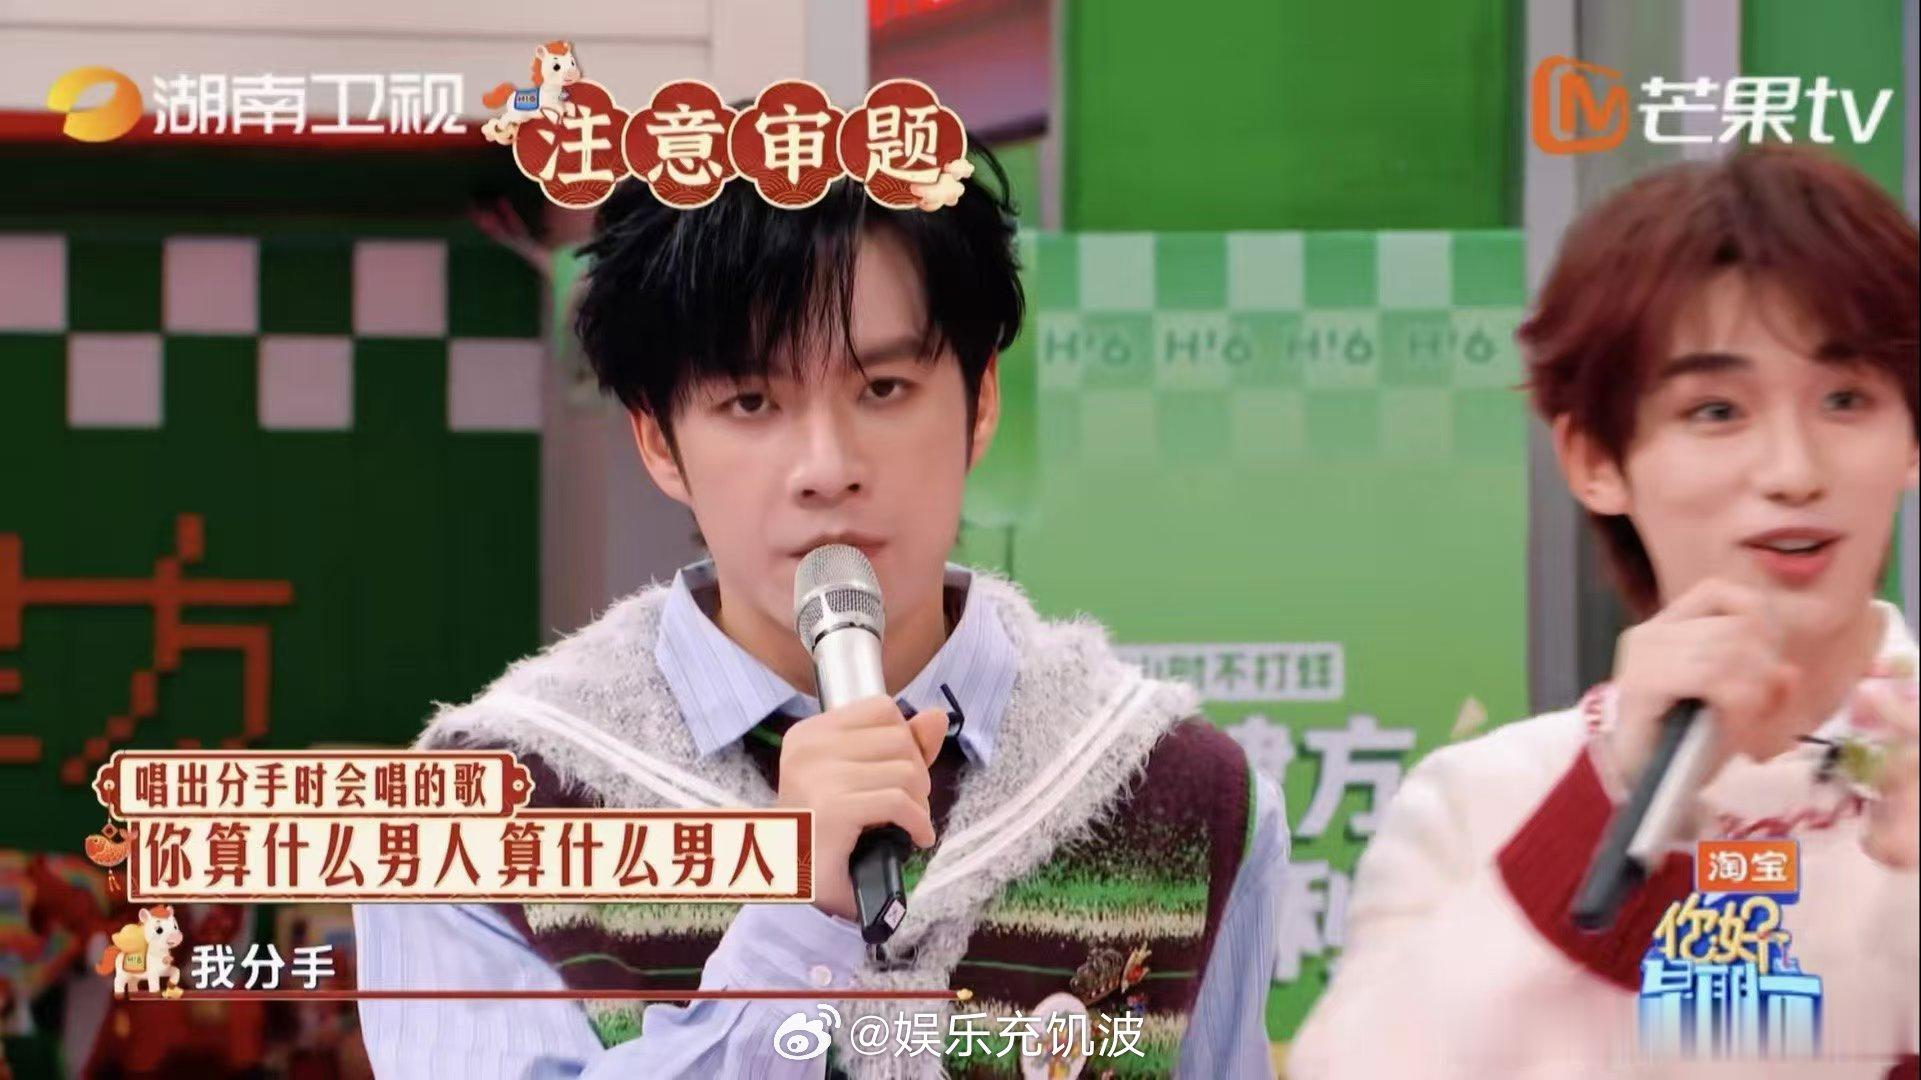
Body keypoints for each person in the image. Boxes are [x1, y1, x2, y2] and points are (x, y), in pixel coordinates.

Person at [353, 148, 1288, 1078]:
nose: (826, 468)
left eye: (882, 390)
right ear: (658, 440)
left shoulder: (1186, 792)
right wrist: (793, 924)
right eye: (750, 400)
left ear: (979, 401)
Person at [1289, 146, 1919, 1079]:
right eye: (1715, 410)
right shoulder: (1486, 800)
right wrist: (1604, 809)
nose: (1793, 471)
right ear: (1594, 460)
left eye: (1844, 399)